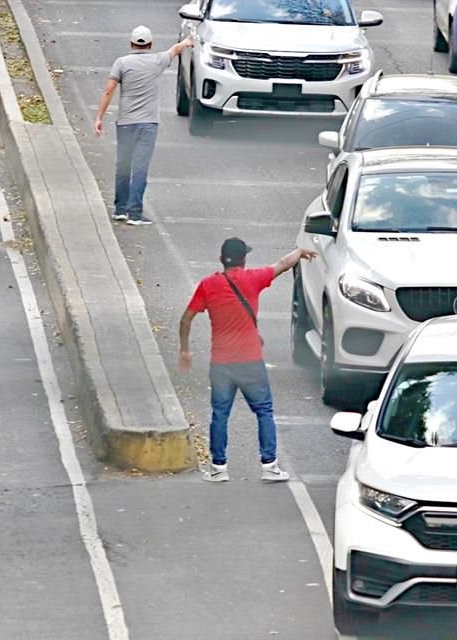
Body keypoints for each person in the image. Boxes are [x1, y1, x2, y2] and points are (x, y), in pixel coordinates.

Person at [178, 238, 318, 482]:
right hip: (251, 362)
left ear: (222, 260)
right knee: (264, 411)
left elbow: (186, 319)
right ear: (243, 260)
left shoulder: (208, 285)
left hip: (221, 364)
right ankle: (270, 465)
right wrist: (300, 251)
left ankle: (218, 468)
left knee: (220, 415)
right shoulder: (253, 279)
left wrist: (185, 350)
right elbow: (283, 264)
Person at [94, 27, 192, 226]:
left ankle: (120, 209)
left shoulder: (121, 63)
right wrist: (188, 41)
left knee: (123, 165)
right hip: (148, 124)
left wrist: (99, 118)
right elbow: (175, 50)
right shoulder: (157, 61)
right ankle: (135, 213)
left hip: (125, 123)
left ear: (131, 44)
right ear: (150, 44)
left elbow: (108, 91)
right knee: (140, 168)